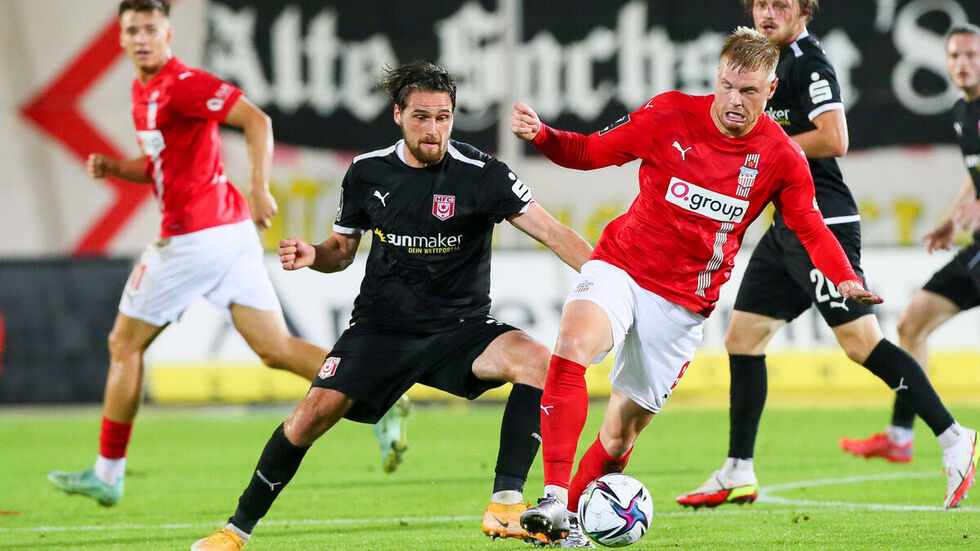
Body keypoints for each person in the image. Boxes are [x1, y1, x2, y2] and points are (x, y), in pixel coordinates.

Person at [511, 27, 976, 547]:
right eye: (729, 86)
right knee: (572, 346)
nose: (735, 100)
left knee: (620, 434)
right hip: (622, 265)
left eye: (749, 91)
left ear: (770, 91)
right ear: (718, 76)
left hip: (684, 303)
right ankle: (555, 502)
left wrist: (843, 275)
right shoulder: (669, 114)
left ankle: (573, 519)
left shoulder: (782, 157)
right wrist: (543, 136)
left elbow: (810, 228)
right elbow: (590, 151)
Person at [189, 61, 593, 551]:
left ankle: (505, 503)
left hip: (458, 329)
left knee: (536, 360)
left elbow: (554, 233)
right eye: (421, 116)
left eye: (443, 117)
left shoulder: (484, 175)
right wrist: (313, 254)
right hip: (382, 327)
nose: (434, 129)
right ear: (397, 114)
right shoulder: (367, 172)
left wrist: (610, 284)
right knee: (308, 417)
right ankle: (235, 531)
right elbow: (341, 251)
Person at [45, 0, 409, 507]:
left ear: (168, 33)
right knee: (276, 348)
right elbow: (161, 166)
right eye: (133, 30)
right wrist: (114, 168)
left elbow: (256, 120)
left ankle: (109, 472)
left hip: (195, 237)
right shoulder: (142, 90)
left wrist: (260, 185)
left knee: (123, 346)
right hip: (227, 233)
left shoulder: (183, 83)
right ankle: (379, 393)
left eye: (151, 28)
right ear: (122, 39)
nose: (143, 37)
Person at [675, 1, 978, 512]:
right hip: (785, 227)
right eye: (762, 4)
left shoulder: (809, 61)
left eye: (782, 5)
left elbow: (834, 137)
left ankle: (953, 438)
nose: (768, 13)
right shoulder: (766, 66)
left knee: (861, 343)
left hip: (824, 224)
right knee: (743, 337)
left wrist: (760, 147)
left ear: (805, 11)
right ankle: (738, 470)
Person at [839, 24, 980, 465]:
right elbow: (974, 174)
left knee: (911, 321)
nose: (962, 64)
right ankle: (901, 435)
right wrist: (950, 219)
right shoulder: (963, 110)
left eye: (971, 55)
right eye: (954, 56)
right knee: (912, 322)